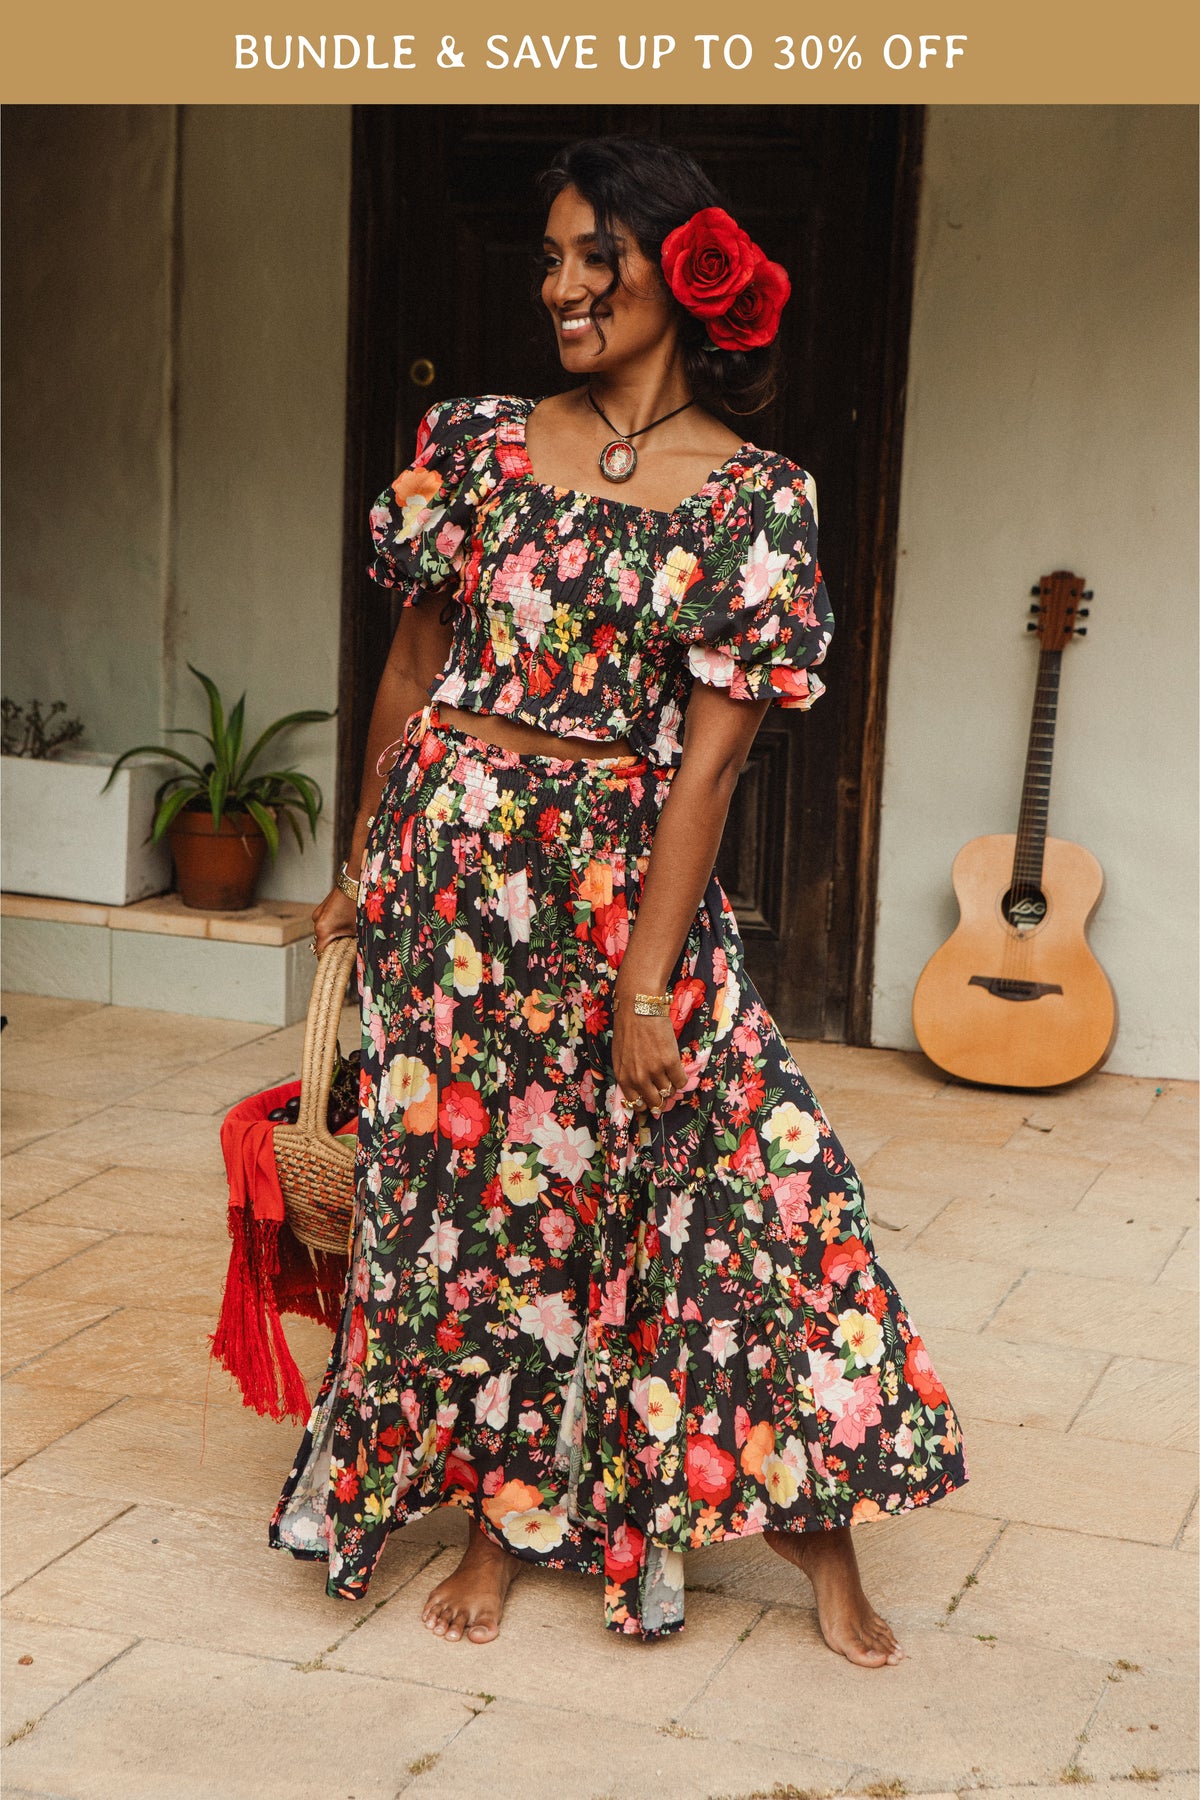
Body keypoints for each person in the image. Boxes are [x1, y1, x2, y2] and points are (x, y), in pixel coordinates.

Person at [269, 136, 967, 1668]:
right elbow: (412, 667)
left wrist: (648, 990)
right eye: (552, 259)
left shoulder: (755, 502)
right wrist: (361, 863)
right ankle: (499, 1524)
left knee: (750, 1180)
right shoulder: (477, 444)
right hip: (450, 883)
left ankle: (816, 1529)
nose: (564, 287)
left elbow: (708, 772)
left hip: (612, 887)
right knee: (477, 1210)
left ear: (684, 275)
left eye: (600, 257)